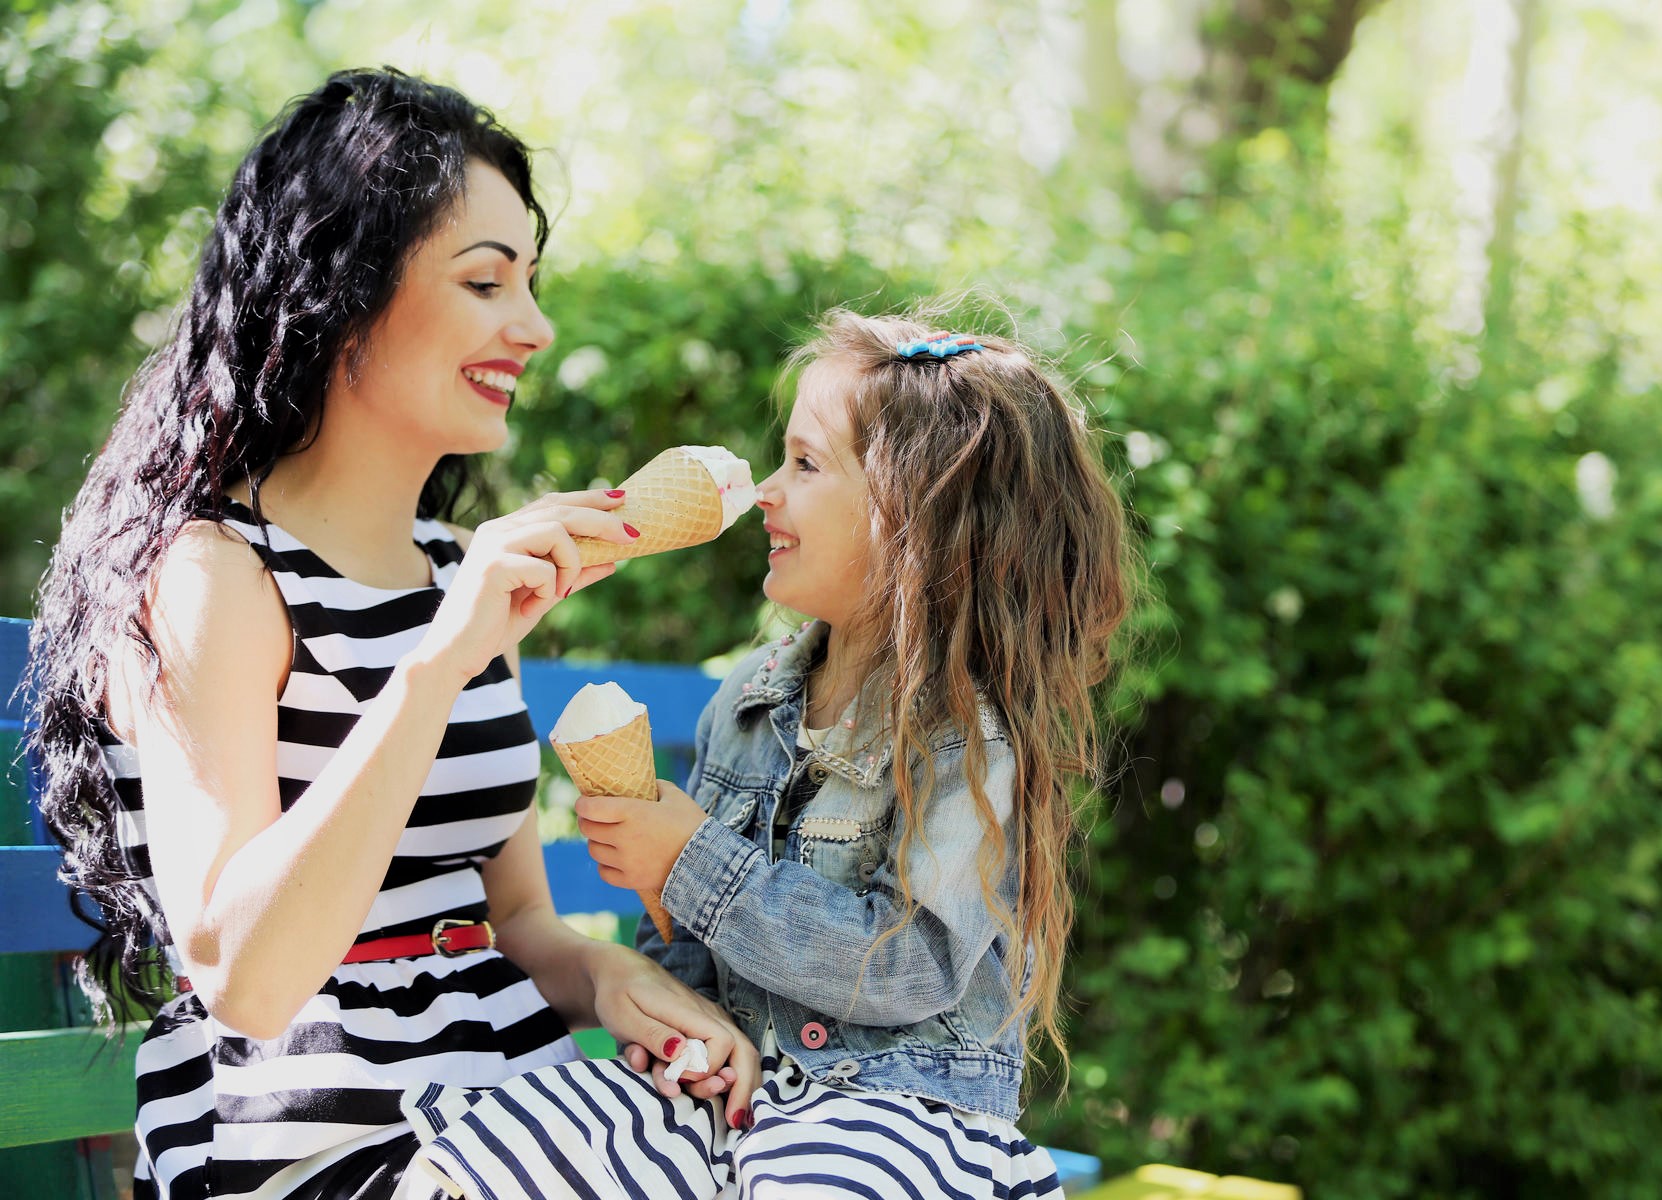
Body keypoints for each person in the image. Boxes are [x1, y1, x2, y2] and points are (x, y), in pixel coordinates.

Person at [27, 68, 756, 1199]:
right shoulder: (210, 576)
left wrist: (609, 980)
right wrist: (437, 662)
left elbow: (513, 921)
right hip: (312, 1137)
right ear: (343, 288)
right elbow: (246, 979)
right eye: (485, 281)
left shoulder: (459, 580)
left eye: (531, 282)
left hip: (514, 1105)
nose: (533, 325)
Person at [406, 309, 1135, 1199]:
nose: (765, 493)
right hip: (738, 1097)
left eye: (805, 463)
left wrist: (693, 863)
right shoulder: (744, 703)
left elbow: (916, 967)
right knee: (513, 1146)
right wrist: (684, 1035)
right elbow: (681, 954)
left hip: (896, 1108)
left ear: (915, 516)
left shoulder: (966, 737)